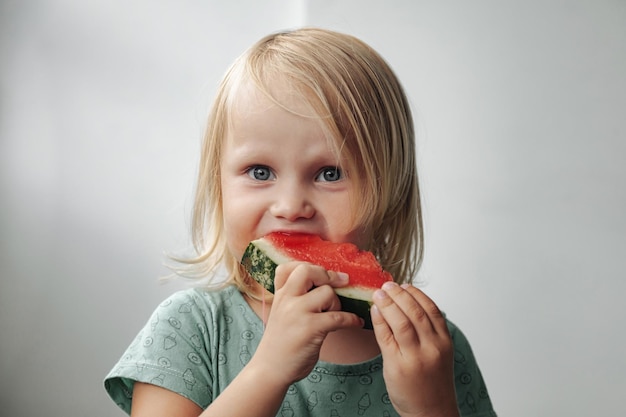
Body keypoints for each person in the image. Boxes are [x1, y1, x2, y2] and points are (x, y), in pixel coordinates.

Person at [104, 27, 497, 417]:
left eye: (329, 173)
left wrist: (433, 407)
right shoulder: (192, 329)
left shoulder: (429, 344)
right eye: (259, 172)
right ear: (217, 184)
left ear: (389, 192)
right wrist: (268, 369)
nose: (291, 207)